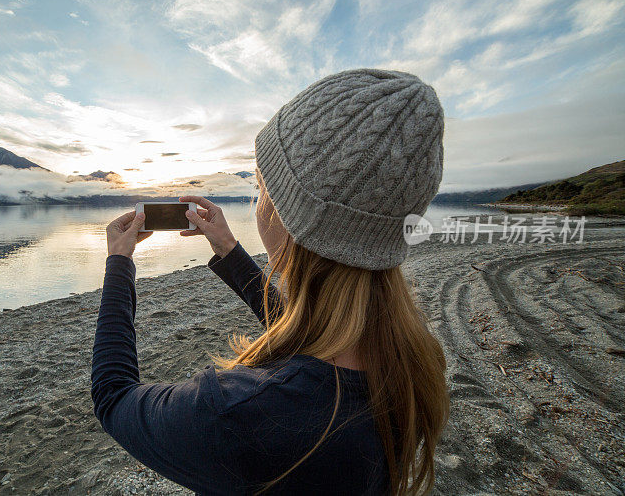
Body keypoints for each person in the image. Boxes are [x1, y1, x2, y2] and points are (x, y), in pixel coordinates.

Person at [94, 69, 450, 495]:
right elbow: (308, 331)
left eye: (261, 187)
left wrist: (119, 263)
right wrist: (228, 249)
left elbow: (114, 399)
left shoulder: (239, 412)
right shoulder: (412, 354)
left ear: (290, 215)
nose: (257, 201)